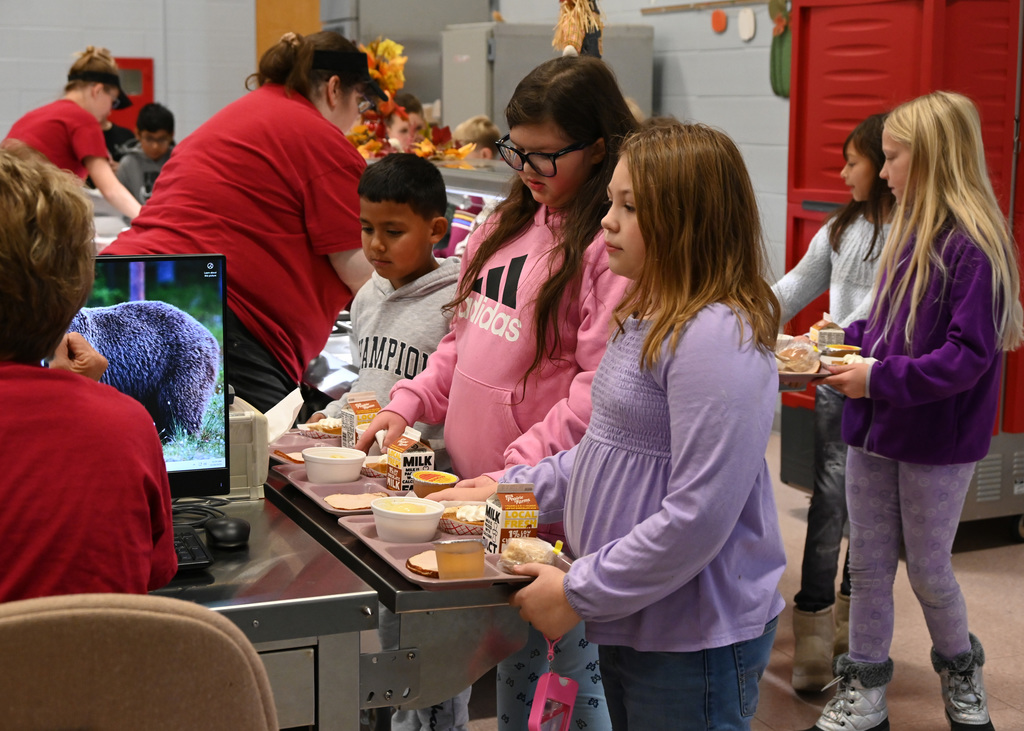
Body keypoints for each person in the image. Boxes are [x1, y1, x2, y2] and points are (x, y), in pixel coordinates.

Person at [357, 55, 639, 731]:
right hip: (483, 497)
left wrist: (517, 471)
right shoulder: (504, 226)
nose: (528, 170)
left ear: (599, 146)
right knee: (511, 674)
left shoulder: (607, 249)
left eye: (548, 156)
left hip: (545, 512)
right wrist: (409, 400)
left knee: (564, 683)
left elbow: (596, 392)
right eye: (518, 150)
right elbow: (461, 341)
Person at [494, 118, 785, 730]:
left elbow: (699, 514)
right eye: (611, 203)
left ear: (687, 220)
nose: (606, 221)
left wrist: (578, 591)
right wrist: (514, 488)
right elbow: (608, 452)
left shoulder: (714, 337)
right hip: (637, 611)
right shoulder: (647, 312)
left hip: (692, 637)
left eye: (630, 207)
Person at [807, 91, 1023, 731]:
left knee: (929, 570)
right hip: (875, 428)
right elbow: (889, 322)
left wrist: (876, 377)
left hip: (935, 442)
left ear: (927, 162)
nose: (883, 170)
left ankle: (960, 670)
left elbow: (965, 357)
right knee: (869, 566)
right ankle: (866, 689)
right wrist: (849, 340)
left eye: (893, 157)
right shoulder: (905, 232)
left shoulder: (975, 249)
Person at [102, 31, 385, 415]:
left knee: (147, 450)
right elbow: (365, 272)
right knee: (258, 466)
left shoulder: (241, 114)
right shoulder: (321, 139)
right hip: (224, 317)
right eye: (361, 103)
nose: (357, 119)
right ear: (335, 89)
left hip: (120, 287)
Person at [0, 145, 176, 602]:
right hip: (102, 669)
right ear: (79, 285)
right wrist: (83, 402)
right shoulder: (129, 425)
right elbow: (157, 572)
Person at [771, 113, 894, 691]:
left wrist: (840, 328)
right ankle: (815, 630)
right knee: (829, 503)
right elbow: (795, 285)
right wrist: (734, 312)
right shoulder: (841, 229)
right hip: (836, 391)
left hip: (886, 387)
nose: (844, 174)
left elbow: (888, 308)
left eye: (854, 162)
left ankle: (853, 629)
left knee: (874, 517)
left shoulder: (915, 231)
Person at [308, 152, 460, 447]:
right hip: (368, 462)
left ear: (436, 230)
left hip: (426, 472)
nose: (376, 244)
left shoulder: (456, 301)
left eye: (393, 232)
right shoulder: (366, 296)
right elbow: (368, 384)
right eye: (367, 229)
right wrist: (334, 415)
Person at [3, 46, 141, 220]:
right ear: (97, 91)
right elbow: (111, 190)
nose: (110, 112)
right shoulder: (83, 119)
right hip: (30, 218)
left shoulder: (33, 116)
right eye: (112, 101)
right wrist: (149, 221)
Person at [116, 102, 175, 204]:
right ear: (137, 134)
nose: (155, 146)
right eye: (149, 138)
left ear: (171, 136)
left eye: (162, 139)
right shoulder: (128, 164)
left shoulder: (177, 161)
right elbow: (119, 202)